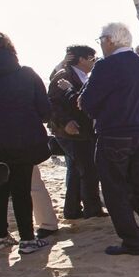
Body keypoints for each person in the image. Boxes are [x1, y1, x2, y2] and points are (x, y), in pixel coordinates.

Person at [79, 23, 139, 255]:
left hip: (114, 133)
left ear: (109, 40)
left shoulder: (105, 65)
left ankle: (133, 241)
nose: (101, 46)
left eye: (101, 41)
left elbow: (86, 102)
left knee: (114, 189)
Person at [0, 30, 53, 254]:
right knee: (21, 189)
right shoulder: (27, 74)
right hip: (24, 142)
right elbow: (45, 112)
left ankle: (0, 237)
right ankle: (27, 239)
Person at [49, 45, 104, 219]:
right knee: (88, 170)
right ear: (82, 59)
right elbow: (52, 104)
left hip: (82, 131)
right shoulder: (64, 75)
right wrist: (65, 123)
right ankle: (92, 209)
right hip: (71, 132)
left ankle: (72, 210)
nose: (94, 62)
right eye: (92, 58)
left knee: (76, 170)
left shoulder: (81, 75)